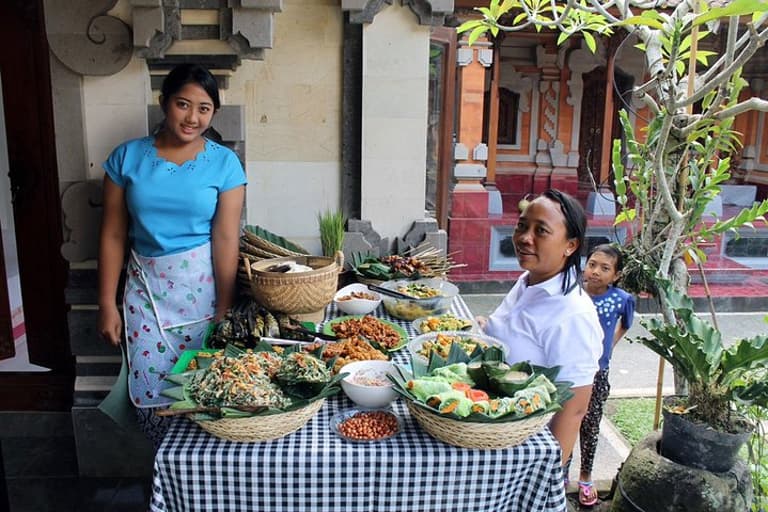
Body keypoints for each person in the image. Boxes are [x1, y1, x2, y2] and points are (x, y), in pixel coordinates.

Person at [98, 63, 246, 447]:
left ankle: (207, 488)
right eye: (183, 104)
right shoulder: (125, 158)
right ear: (163, 103)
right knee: (152, 397)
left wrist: (225, 306)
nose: (192, 117)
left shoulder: (224, 163)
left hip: (202, 295)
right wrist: (106, 305)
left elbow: (226, 236)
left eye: (204, 108)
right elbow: (113, 234)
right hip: (146, 294)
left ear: (214, 112)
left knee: (204, 391)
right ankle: (166, 478)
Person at [478, 189, 602, 468]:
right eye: (522, 225)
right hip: (491, 427)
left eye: (541, 230)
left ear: (570, 245)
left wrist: (545, 476)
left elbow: (574, 409)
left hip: (523, 454)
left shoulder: (574, 315)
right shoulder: (528, 281)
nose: (524, 237)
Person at [576, 244, 635, 507]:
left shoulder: (621, 299)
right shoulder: (572, 293)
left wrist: (607, 348)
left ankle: (585, 477)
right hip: (569, 370)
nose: (596, 272)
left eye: (605, 268)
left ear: (617, 275)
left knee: (590, 426)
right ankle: (558, 474)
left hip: (597, 373)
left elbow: (626, 323)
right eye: (592, 264)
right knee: (562, 422)